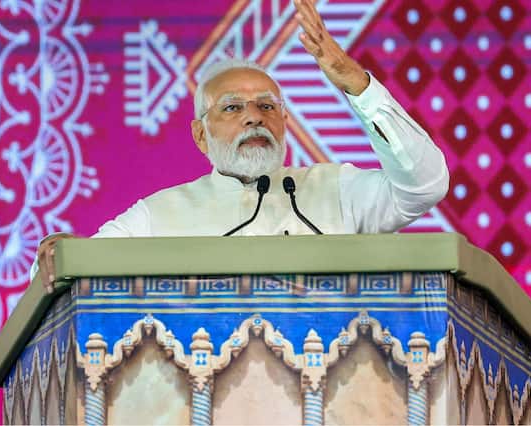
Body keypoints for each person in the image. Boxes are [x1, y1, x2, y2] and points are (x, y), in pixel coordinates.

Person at [35, 0, 449, 292]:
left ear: (284, 122)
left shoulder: (336, 189)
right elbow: (72, 269)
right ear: (201, 135)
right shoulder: (158, 216)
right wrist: (60, 250)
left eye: (267, 106)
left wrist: (356, 83)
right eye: (233, 107)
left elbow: (425, 185)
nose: (254, 117)